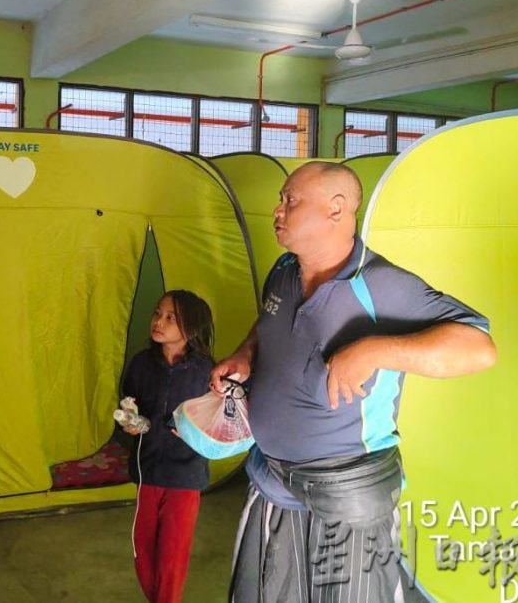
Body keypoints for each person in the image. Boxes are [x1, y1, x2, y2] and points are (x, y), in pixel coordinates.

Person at [210, 161, 496, 603]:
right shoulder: (284, 271)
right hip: (272, 482)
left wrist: (375, 350)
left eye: (290, 200)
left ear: (336, 209)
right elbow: (269, 324)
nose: (277, 210)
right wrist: (246, 354)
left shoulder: (380, 285)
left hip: (348, 496)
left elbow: (478, 348)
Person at [119, 289, 215, 603]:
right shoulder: (141, 364)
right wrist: (130, 424)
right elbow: (128, 403)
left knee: (172, 560)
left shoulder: (206, 372)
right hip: (147, 471)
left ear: (192, 327)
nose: (159, 321)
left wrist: (196, 433)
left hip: (185, 478)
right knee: (143, 555)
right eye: (157, 313)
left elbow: (218, 422)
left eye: (171, 318)